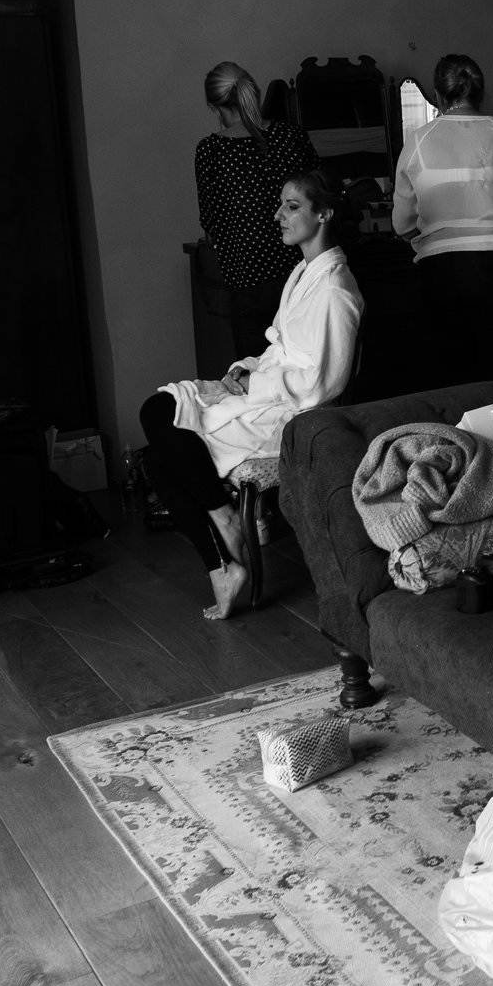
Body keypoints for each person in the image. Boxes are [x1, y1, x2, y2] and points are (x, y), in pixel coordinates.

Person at [140, 172, 363, 618]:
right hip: (263, 393)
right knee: (157, 410)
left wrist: (254, 384)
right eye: (280, 205)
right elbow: (282, 350)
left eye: (292, 206)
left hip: (291, 414)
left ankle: (221, 557)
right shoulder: (301, 273)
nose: (279, 215)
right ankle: (224, 526)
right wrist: (248, 368)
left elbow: (322, 383)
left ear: (324, 213)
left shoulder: (335, 290)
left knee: (155, 457)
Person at [390, 52, 493, 387]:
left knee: (455, 367)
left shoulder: (418, 141)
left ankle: (462, 436)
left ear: (438, 94)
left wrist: (432, 237)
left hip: (443, 269)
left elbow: (401, 223)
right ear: (480, 91)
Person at [194, 60, 322, 358]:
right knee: (307, 370)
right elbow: (321, 194)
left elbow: (211, 222)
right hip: (304, 275)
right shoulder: (291, 136)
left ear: (214, 107)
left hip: (251, 284)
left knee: (258, 377)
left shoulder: (211, 150)